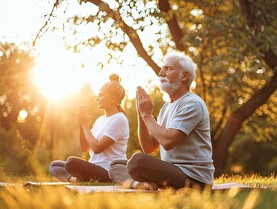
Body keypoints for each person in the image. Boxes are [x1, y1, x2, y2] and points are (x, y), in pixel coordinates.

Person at [109, 51, 215, 190]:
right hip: (172, 171)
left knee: (137, 161)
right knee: (115, 165)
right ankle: (140, 184)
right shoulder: (166, 107)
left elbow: (167, 141)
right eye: (161, 69)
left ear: (184, 75)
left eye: (168, 69)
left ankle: (144, 183)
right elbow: (148, 147)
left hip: (194, 178)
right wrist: (141, 113)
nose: (160, 73)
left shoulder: (192, 103)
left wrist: (147, 115)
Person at [49, 73, 130, 182]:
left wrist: (85, 126)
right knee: (54, 165)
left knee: (71, 162)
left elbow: (97, 148)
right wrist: (81, 126)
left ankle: (81, 179)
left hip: (108, 171)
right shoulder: (100, 120)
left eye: (101, 95)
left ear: (113, 98)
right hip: (93, 167)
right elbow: (85, 148)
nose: (97, 98)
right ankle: (77, 179)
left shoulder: (119, 119)